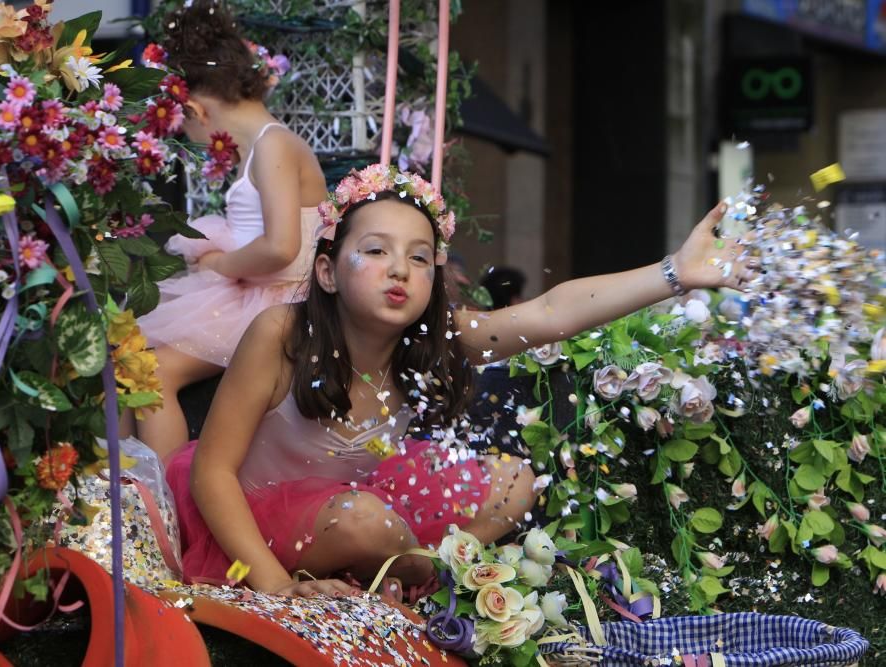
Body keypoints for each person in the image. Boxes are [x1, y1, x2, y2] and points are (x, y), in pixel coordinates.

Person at [165, 164, 751, 599]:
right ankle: (416, 571)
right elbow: (213, 473)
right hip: (250, 525)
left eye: (420, 258)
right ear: (327, 270)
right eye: (375, 251)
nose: (400, 269)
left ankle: (408, 568)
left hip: (363, 511)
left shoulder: (432, 339)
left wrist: (675, 273)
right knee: (366, 521)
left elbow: (549, 314)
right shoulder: (280, 335)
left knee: (514, 480)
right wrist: (270, 583)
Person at [135, 1, 327, 461]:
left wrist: (220, 263)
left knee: (151, 372)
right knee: (130, 358)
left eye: (185, 125)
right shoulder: (263, 147)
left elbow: (281, 247)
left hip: (279, 305)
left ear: (197, 110)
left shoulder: (274, 145)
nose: (194, 136)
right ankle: (129, 492)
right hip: (255, 295)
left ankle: (167, 502)